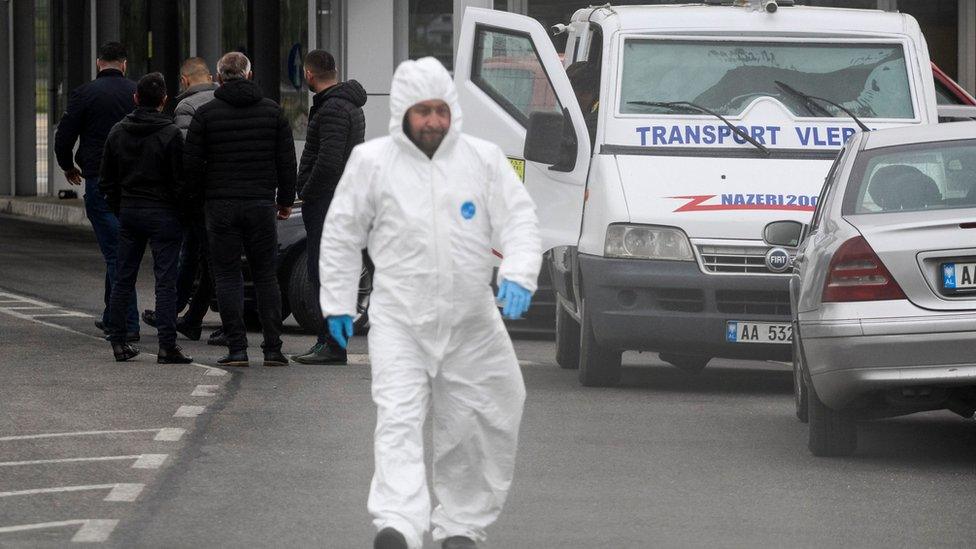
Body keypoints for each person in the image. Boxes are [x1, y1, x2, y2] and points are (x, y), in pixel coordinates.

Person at [318, 57, 541, 549]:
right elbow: (340, 234)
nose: (434, 120)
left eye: (441, 109)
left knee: (481, 418)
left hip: (472, 320)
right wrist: (335, 302)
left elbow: (520, 220)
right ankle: (398, 524)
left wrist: (519, 272)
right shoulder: (372, 163)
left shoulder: (482, 159)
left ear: (452, 110)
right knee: (397, 417)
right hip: (400, 318)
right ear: (403, 111)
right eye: (424, 111)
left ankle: (461, 525)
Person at [184, 52, 296, 368]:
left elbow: (191, 165)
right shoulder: (273, 112)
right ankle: (273, 349)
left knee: (227, 275)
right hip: (261, 203)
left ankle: (237, 349)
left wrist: (196, 203)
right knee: (265, 276)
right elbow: (286, 161)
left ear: (219, 78)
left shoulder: (205, 115)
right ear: (249, 75)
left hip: (220, 205)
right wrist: (286, 200)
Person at [99, 73, 192, 365]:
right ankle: (167, 346)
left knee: (123, 278)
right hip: (164, 213)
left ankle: (118, 342)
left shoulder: (118, 131)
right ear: (164, 101)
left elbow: (107, 180)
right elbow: (181, 181)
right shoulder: (171, 134)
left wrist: (120, 207)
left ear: (136, 98)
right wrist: (180, 212)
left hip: (130, 211)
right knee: (165, 281)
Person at [54, 41, 140, 341]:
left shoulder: (85, 94)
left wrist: (67, 166)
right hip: (134, 182)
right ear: (124, 64)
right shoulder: (136, 92)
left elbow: (64, 136)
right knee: (116, 248)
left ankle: (127, 324)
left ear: (97, 62)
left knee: (116, 253)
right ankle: (110, 314)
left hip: (99, 180)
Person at [142, 56, 224, 345]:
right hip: (222, 191)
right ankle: (189, 319)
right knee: (203, 256)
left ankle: (176, 310)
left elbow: (185, 155)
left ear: (185, 80)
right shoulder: (223, 99)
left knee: (201, 256)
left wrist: (182, 195)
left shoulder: (186, 106)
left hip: (199, 196)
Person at [292, 49, 367, 365]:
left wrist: (307, 191)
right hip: (337, 199)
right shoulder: (342, 105)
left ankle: (333, 346)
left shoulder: (333, 109)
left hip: (328, 202)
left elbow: (329, 162)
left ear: (309, 75)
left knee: (325, 272)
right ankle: (328, 341)